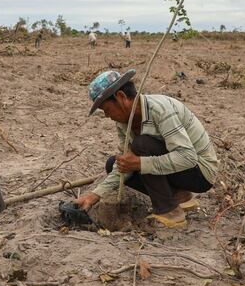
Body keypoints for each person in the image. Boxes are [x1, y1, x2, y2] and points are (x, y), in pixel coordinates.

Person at [74, 69, 218, 228]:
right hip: (180, 170)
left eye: (107, 109)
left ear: (121, 97)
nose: (107, 116)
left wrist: (141, 164)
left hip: (201, 172)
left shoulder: (160, 110)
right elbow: (126, 163)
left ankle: (170, 212)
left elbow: (187, 157)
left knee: (141, 145)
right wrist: (94, 195)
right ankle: (179, 196)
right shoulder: (123, 123)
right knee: (114, 164)